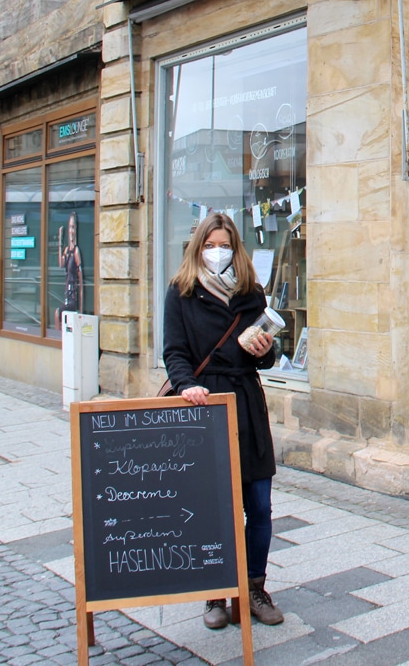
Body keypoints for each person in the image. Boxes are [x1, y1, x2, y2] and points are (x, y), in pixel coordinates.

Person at [162, 212, 284, 630]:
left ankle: (253, 586)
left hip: (247, 403)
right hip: (205, 407)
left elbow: (267, 357)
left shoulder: (251, 293)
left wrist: (265, 350)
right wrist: (184, 386)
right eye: (210, 245)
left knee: (260, 507)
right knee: (214, 507)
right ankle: (215, 591)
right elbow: (174, 351)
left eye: (224, 245)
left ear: (236, 248)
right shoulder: (181, 293)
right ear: (199, 248)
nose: (218, 252)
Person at [54, 212, 83, 329]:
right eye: (70, 227)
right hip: (67, 294)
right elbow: (61, 264)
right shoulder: (67, 251)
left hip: (73, 297)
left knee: (58, 314)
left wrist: (81, 308)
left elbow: (80, 280)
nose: (71, 231)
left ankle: (58, 339)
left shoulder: (76, 251)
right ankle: (61, 339)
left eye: (73, 227)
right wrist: (60, 241)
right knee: (63, 320)